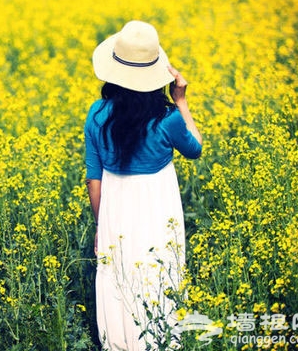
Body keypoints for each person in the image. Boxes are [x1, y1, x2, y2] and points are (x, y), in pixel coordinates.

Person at [84, 20, 203, 350]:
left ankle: (119, 342)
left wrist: (100, 225)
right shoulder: (168, 119)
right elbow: (195, 147)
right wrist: (181, 100)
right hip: (157, 204)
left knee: (118, 272)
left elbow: (94, 179)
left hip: (115, 209)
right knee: (158, 268)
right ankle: (161, 341)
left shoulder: (96, 114)